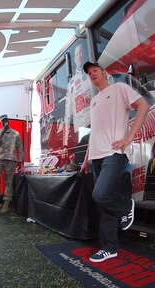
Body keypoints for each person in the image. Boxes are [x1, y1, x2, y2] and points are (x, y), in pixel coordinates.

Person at [80, 61, 149, 262]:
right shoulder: (94, 101)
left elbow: (143, 106)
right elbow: (95, 133)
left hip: (114, 154)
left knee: (100, 195)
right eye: (89, 73)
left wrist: (128, 138)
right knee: (104, 204)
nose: (91, 74)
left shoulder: (119, 89)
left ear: (104, 72)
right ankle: (109, 247)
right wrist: (86, 159)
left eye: (94, 70)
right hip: (96, 158)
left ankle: (126, 206)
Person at [63, 43, 93, 150]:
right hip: (80, 131)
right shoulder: (71, 84)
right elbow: (67, 114)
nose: (79, 56)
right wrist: (66, 142)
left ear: (85, 55)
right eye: (77, 54)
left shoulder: (93, 74)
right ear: (74, 59)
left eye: (81, 53)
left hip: (95, 124)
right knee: (83, 163)